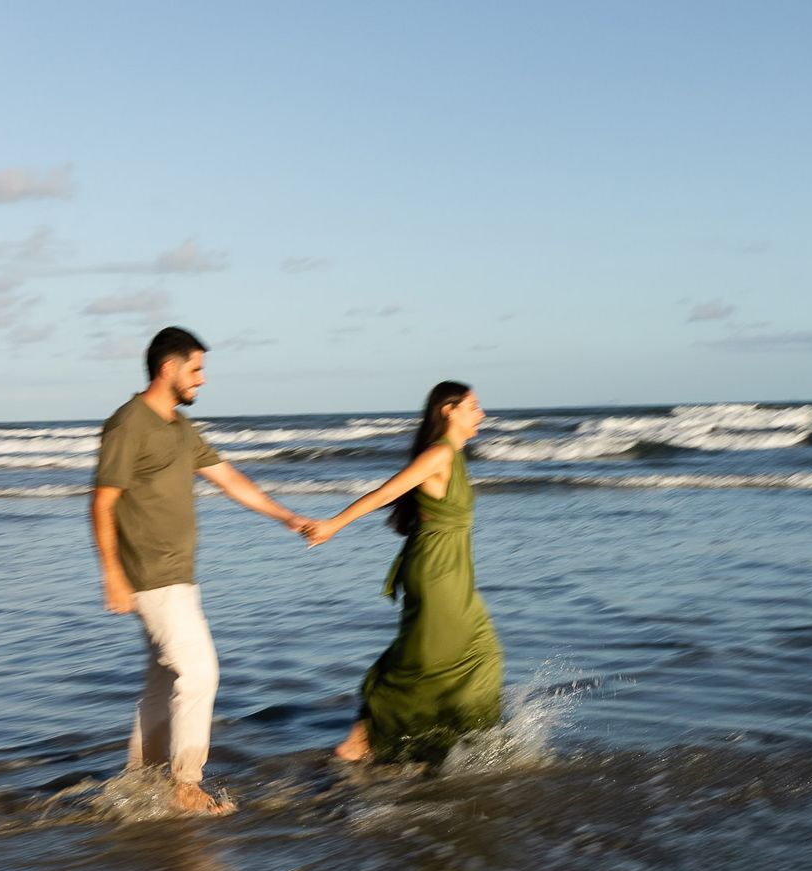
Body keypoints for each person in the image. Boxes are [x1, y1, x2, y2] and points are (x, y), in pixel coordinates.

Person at [91, 326, 312, 814]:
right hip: (151, 574)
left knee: (163, 681)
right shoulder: (129, 424)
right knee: (200, 673)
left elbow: (228, 478)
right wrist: (112, 572)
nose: (203, 380)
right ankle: (185, 784)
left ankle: (140, 780)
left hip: (178, 575)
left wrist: (287, 516)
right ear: (169, 368)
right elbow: (103, 500)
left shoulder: (179, 429)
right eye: (197, 369)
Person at [304, 381, 503, 764]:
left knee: (481, 655)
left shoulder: (456, 456)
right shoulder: (439, 455)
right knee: (432, 660)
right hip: (437, 572)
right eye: (474, 406)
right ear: (449, 410)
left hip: (454, 571)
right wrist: (333, 524)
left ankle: (444, 744)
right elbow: (384, 494)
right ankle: (365, 739)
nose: (482, 414)